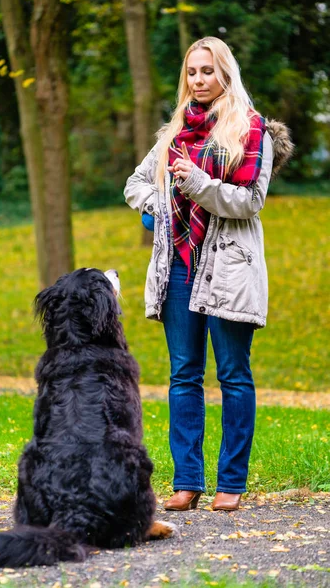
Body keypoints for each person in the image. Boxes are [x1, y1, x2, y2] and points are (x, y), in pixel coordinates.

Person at [124, 36, 293, 512]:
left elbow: (248, 202)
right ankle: (187, 482)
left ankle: (231, 483)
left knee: (234, 375)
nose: (199, 80)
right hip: (177, 266)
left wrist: (196, 184)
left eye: (208, 71)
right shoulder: (174, 132)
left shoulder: (251, 130)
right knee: (184, 375)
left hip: (228, 268)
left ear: (226, 74)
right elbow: (135, 184)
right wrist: (159, 203)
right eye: (192, 72)